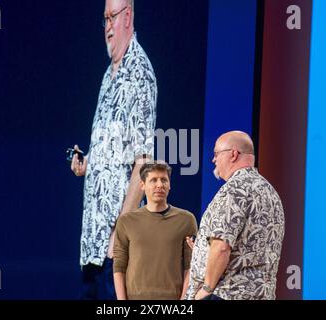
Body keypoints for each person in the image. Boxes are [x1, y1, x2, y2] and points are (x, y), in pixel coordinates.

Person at [71, 0, 157, 300]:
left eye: (112, 17)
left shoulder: (140, 74)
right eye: (104, 18)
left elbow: (143, 162)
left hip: (114, 250)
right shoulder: (109, 76)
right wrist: (88, 164)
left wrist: (118, 235)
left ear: (128, 16)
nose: (107, 26)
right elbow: (114, 149)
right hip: (92, 244)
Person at [186, 131, 285, 300]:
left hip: (226, 294)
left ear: (233, 154)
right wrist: (203, 251)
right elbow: (249, 245)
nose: (213, 160)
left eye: (216, 154)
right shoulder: (270, 192)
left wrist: (207, 289)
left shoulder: (234, 191)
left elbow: (221, 247)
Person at [113, 161, 197, 300]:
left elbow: (191, 266)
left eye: (164, 180)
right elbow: (119, 266)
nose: (160, 185)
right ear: (142, 185)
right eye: (153, 180)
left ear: (170, 185)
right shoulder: (127, 221)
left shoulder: (186, 220)